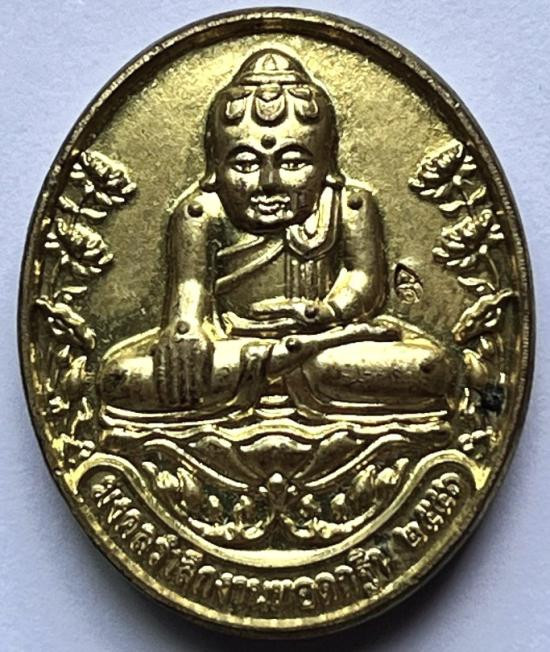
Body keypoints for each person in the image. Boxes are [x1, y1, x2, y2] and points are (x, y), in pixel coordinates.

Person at [99, 49, 457, 424]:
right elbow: (190, 291)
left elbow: (362, 279)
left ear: (327, 162)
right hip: (234, 346)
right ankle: (278, 362)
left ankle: (282, 364)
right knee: (120, 376)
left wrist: (330, 312)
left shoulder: (349, 205)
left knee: (428, 366)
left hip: (329, 345)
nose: (268, 182)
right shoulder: (202, 212)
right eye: (245, 163)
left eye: (292, 162)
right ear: (215, 166)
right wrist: (186, 334)